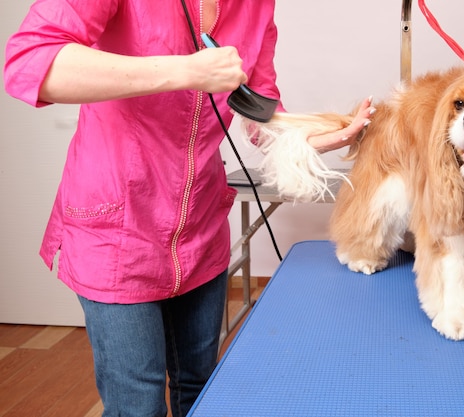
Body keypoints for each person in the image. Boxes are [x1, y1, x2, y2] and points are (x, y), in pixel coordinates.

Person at [4, 1, 374, 416]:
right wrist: (185, 70)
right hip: (117, 232)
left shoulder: (257, 6)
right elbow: (29, 62)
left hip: (201, 228)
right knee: (138, 407)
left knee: (201, 388)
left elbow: (259, 109)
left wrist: (311, 139)